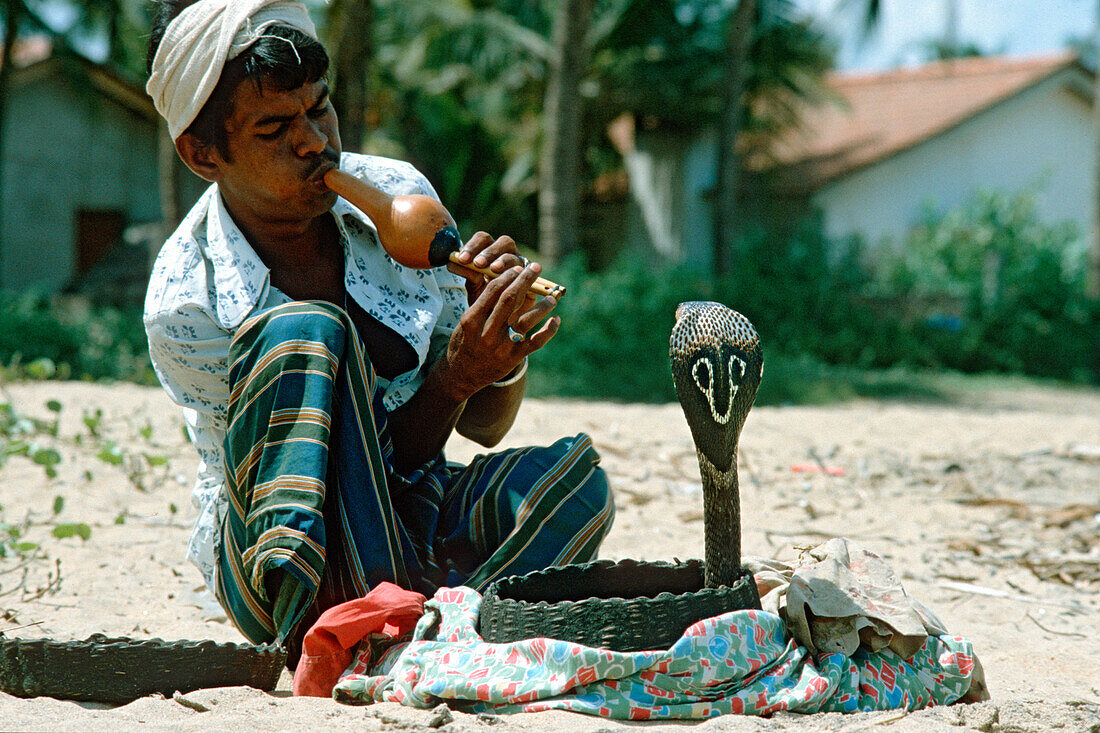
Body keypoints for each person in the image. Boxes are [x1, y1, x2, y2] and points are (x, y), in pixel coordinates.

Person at [143, 0, 613, 665]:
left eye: (320, 108)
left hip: (412, 500)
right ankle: (398, 623)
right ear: (201, 153)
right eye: (276, 127)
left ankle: (402, 630)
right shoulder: (188, 300)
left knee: (569, 486)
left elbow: (483, 427)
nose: (314, 141)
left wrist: (486, 360)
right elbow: (303, 481)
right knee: (307, 333)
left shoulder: (398, 193)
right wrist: (447, 375)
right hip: (284, 551)